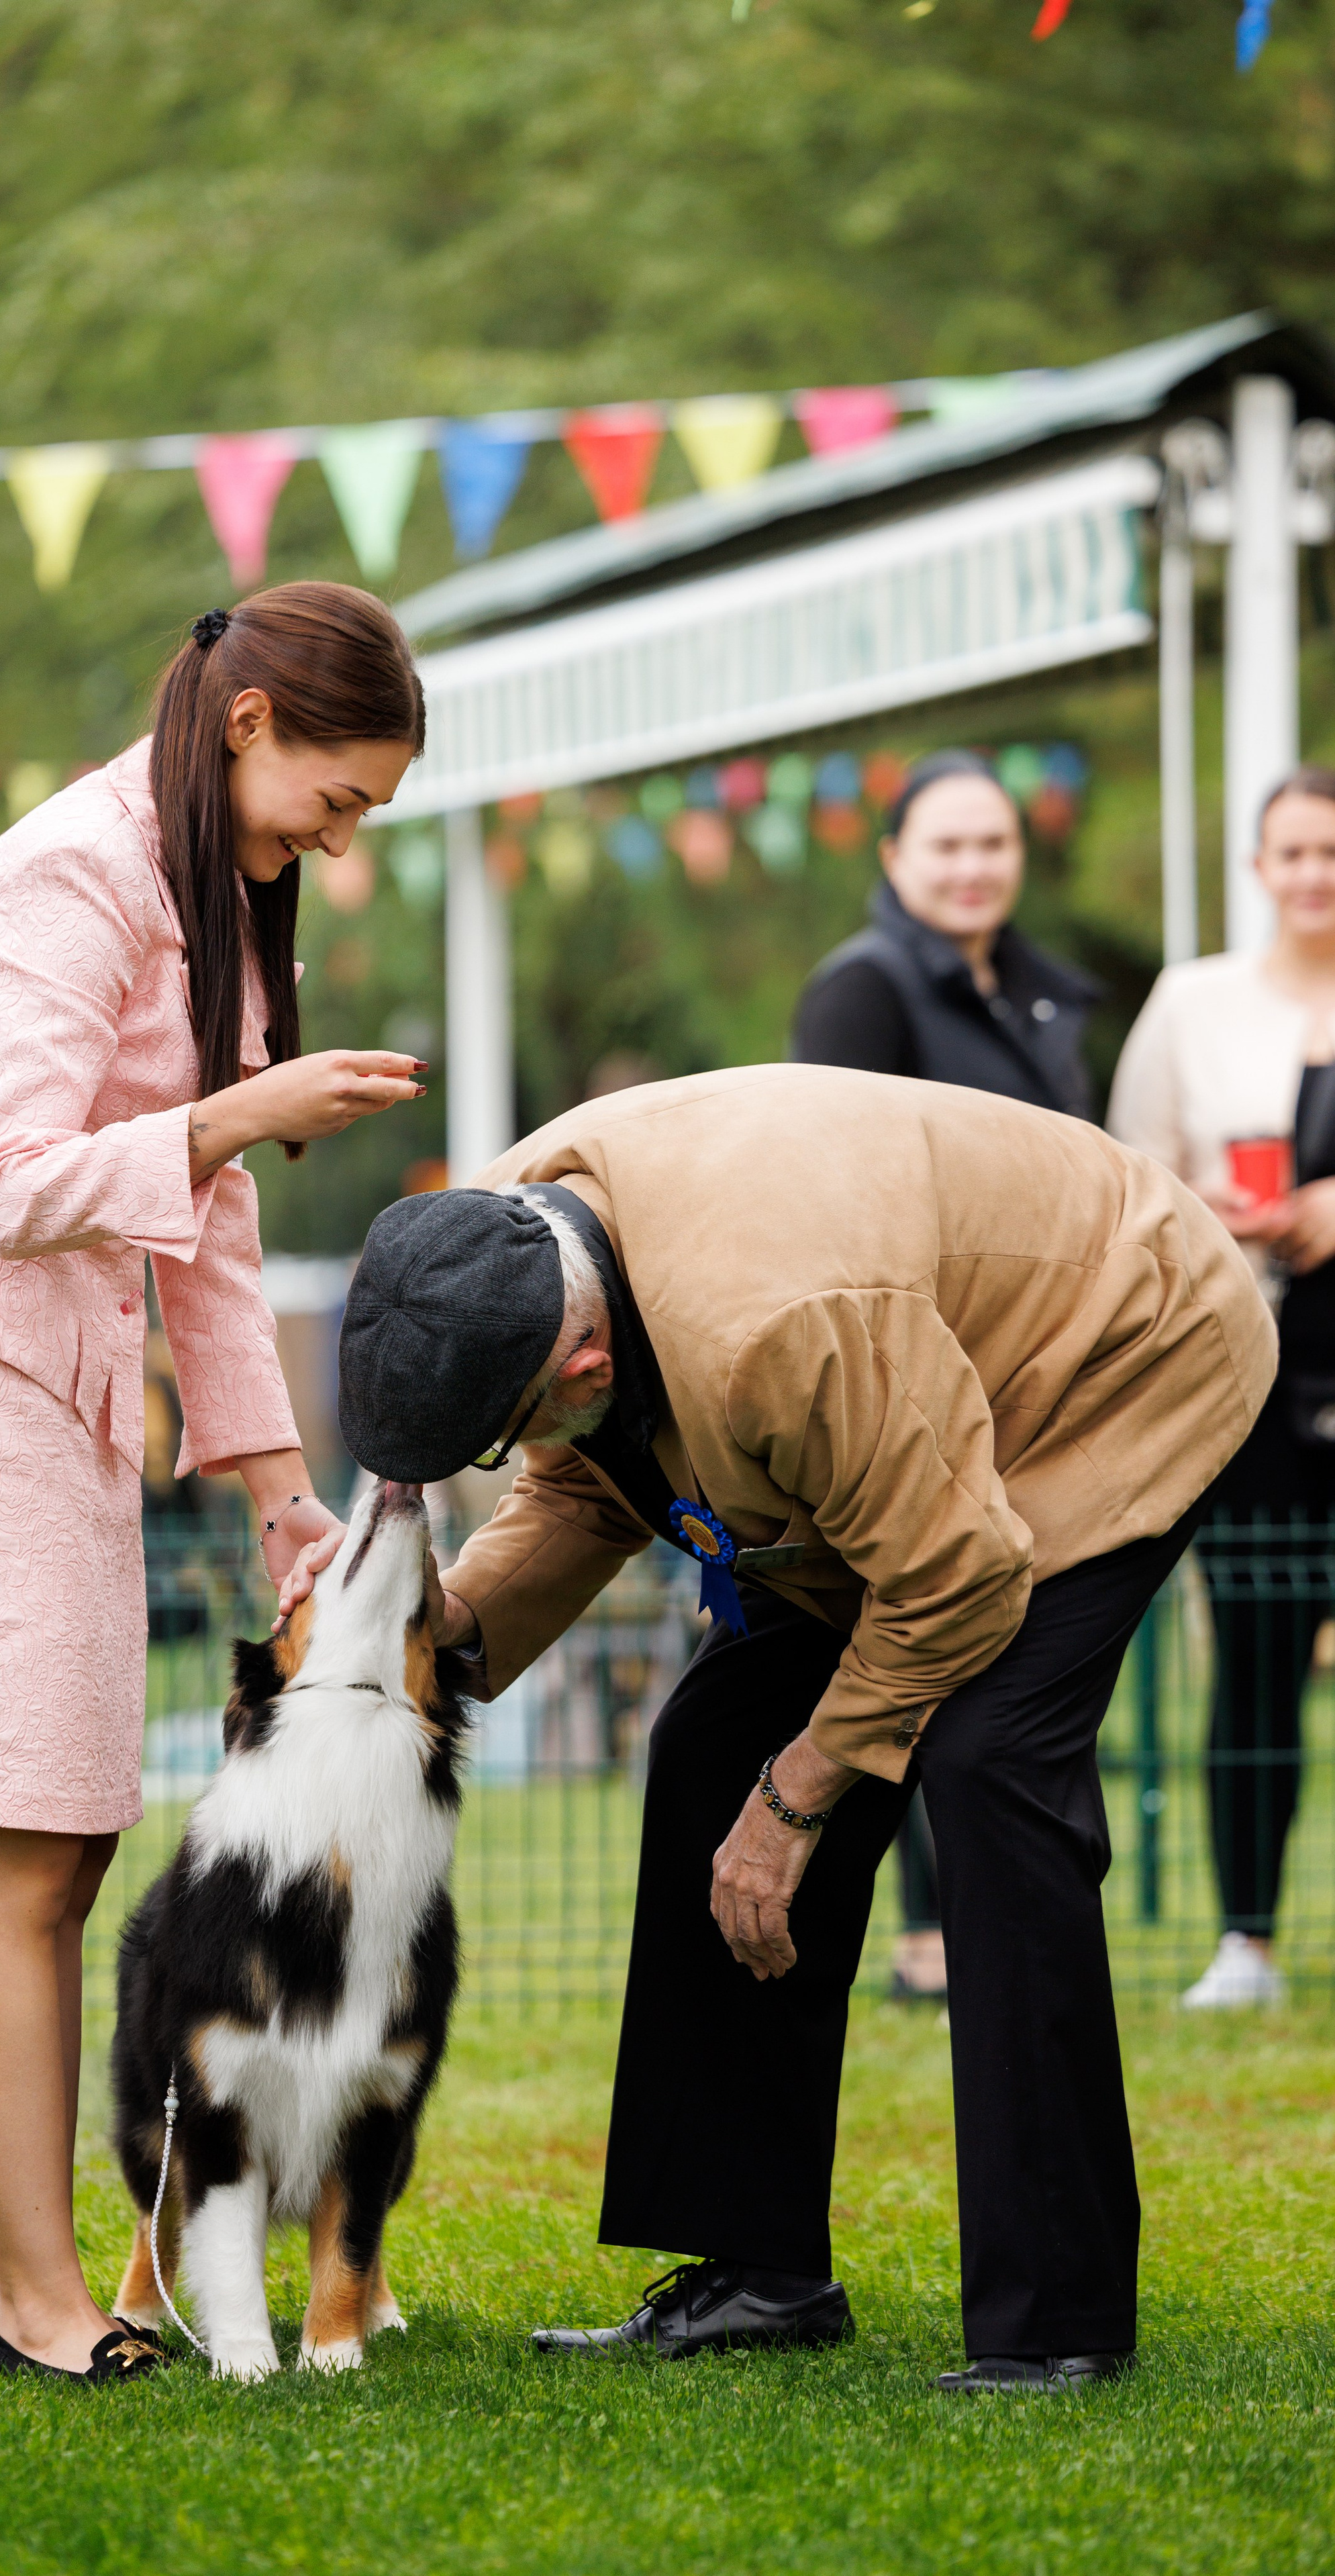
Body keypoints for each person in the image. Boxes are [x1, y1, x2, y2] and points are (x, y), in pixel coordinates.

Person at [334, 1067, 1271, 2391]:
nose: (512, 1450)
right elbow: (588, 1481)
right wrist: (428, 1640)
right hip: (892, 1422)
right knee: (713, 1741)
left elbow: (954, 1574)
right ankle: (755, 2269)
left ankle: (1054, 2314)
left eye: (501, 1431)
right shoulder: (517, 1237)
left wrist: (795, 1803)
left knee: (988, 1758)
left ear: (583, 1359)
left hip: (1116, 1353)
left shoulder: (769, 1328)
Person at [0, 583, 427, 2385]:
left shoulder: (213, 900)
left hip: (72, 1407)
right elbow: (17, 1179)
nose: (346, 834)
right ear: (251, 722)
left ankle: (74, 2279)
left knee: (71, 1843)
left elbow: (211, 1238)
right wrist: (242, 1112)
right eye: (341, 794)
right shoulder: (53, 881)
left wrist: (275, 1487)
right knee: (12, 1850)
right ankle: (33, 2306)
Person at [793, 750, 1100, 1999]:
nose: (975, 867)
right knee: (926, 1635)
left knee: (1020, 1656)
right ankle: (923, 1927)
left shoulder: (1037, 995)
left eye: (995, 844)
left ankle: (998, 1915)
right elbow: (835, 1189)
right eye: (948, 845)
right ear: (894, 858)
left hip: (1036, 1375)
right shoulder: (860, 994)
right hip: (920, 1380)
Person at [1107, 764, 1335, 2010]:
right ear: (1259, 866)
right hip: (1246, 1363)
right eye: (1293, 852)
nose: (1314, 876)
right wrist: (1222, 1213)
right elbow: (1130, 1175)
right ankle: (1245, 1934)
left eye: (1332, 853)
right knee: (1252, 1649)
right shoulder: (1193, 1004)